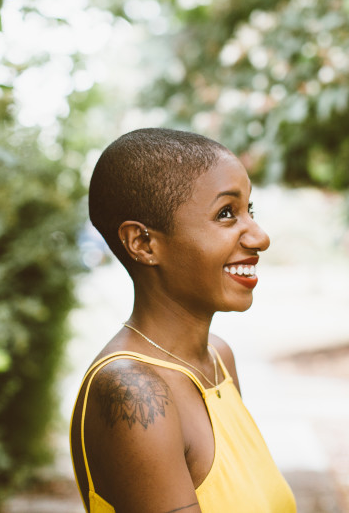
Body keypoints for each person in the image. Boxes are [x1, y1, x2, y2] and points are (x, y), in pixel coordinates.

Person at [70, 128, 297, 513]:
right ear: (143, 244)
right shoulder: (132, 389)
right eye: (226, 214)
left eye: (249, 211)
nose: (259, 237)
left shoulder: (218, 359)